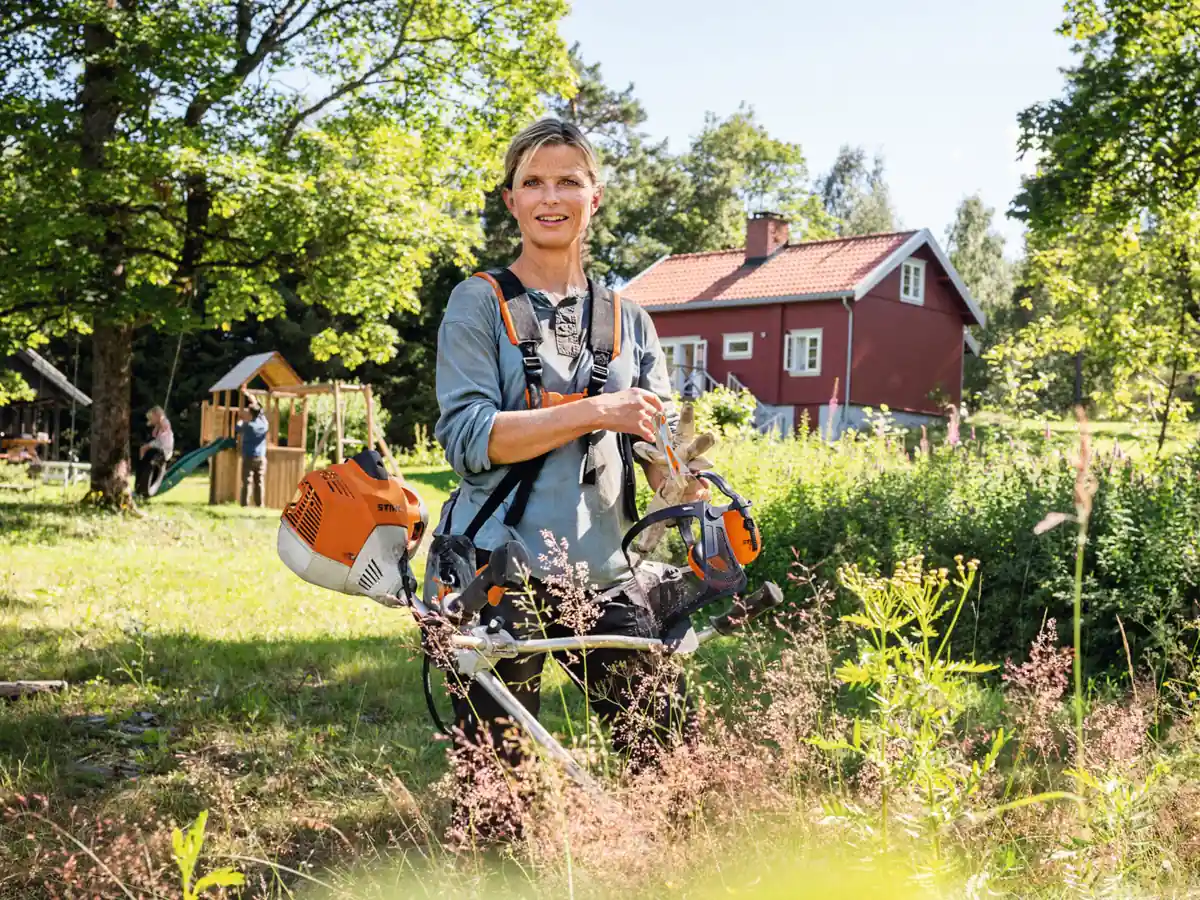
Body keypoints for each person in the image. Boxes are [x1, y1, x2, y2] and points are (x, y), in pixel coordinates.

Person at [428, 118, 710, 779]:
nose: (550, 198)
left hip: (605, 570)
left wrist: (682, 480)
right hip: (496, 568)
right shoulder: (477, 302)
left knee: (667, 760)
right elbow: (468, 439)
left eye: (568, 182)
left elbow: (659, 442)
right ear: (511, 200)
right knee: (497, 780)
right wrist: (597, 410)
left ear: (595, 197)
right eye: (533, 183)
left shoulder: (629, 319)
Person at [135, 406, 174, 498]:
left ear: (157, 415)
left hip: (164, 447)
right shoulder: (158, 424)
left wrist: (161, 419)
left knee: (143, 448)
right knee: (143, 448)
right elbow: (154, 434)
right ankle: (142, 462)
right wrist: (156, 425)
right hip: (159, 443)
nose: (151, 420)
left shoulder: (165, 421)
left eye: (152, 418)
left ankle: (142, 461)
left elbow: (165, 427)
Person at [236, 401, 269, 507]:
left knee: (247, 481)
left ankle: (244, 504)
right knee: (259, 482)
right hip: (261, 457)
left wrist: (240, 420)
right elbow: (262, 415)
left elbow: (237, 428)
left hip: (249, 456)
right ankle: (260, 504)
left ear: (250, 414)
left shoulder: (248, 425)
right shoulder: (264, 425)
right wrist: (257, 405)